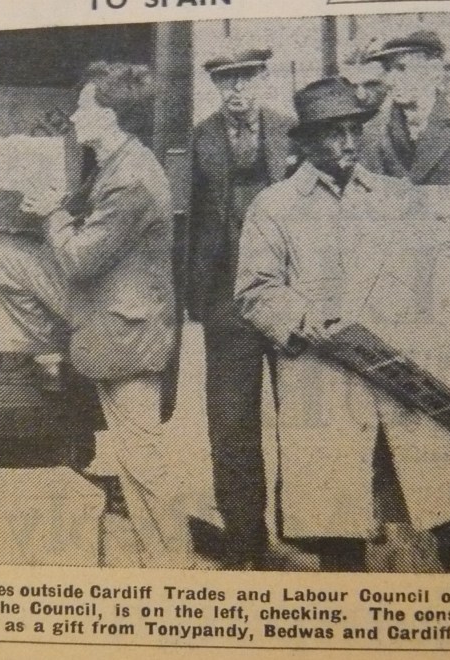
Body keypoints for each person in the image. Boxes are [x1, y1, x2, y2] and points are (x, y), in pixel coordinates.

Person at [235, 76, 450, 573]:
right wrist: (310, 322)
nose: (348, 143)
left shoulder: (396, 196)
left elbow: (435, 275)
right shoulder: (274, 208)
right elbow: (255, 292)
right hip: (324, 383)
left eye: (354, 130)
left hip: (405, 382)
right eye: (334, 133)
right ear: (308, 141)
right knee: (339, 530)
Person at [0, 62, 194, 568]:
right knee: (3, 253)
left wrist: (55, 214)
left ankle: (175, 568)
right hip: (104, 314)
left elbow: (80, 258)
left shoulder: (134, 179)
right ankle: (45, 349)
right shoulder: (116, 163)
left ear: (112, 115)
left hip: (125, 330)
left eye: (84, 106)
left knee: (142, 460)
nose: (75, 116)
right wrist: (62, 207)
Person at [186, 44, 294, 570]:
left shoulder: (290, 130)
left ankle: (304, 533)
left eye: (246, 80)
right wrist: (195, 296)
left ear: (262, 81)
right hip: (226, 300)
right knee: (231, 421)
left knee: (297, 416)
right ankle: (244, 537)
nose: (236, 92)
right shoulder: (200, 138)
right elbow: (190, 223)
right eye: (226, 82)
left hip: (285, 297)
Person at [360, 30, 450, 187]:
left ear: (434, 71)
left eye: (402, 68)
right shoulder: (371, 132)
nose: (390, 80)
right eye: (388, 69)